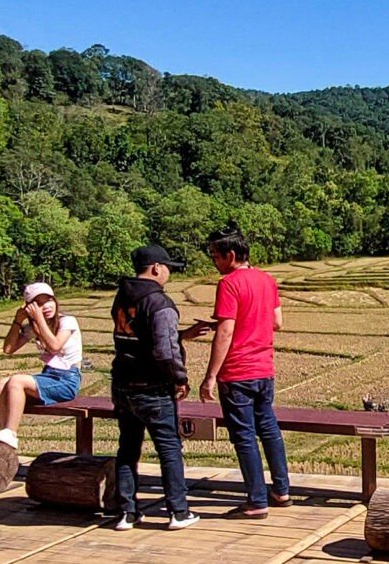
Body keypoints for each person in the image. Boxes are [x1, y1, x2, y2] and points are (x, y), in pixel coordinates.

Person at [197, 225, 290, 517]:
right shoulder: (267, 280)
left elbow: (226, 331)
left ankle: (256, 500)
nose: (214, 261)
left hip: (238, 372)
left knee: (245, 436)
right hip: (265, 370)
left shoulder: (229, 284)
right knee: (269, 429)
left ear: (231, 255)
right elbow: (277, 322)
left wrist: (210, 376)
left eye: (215, 255)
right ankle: (282, 489)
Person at [106, 243, 199, 531]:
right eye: (168, 267)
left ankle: (126, 512)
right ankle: (178, 511)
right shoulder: (160, 302)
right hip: (153, 387)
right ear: (156, 268)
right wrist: (180, 378)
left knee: (128, 449)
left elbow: (139, 337)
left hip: (123, 384)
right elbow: (164, 351)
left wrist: (183, 334)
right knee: (169, 448)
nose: (169, 273)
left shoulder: (122, 297)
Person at [0, 282, 80, 448]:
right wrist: (18, 321)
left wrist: (38, 318)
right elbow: (8, 349)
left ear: (55, 301)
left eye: (48, 301)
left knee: (16, 381)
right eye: (38, 304)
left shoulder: (67, 321)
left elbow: (55, 346)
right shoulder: (34, 328)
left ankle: (10, 433)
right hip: (48, 375)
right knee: (2, 382)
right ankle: (4, 434)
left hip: (67, 380)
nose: (45, 306)